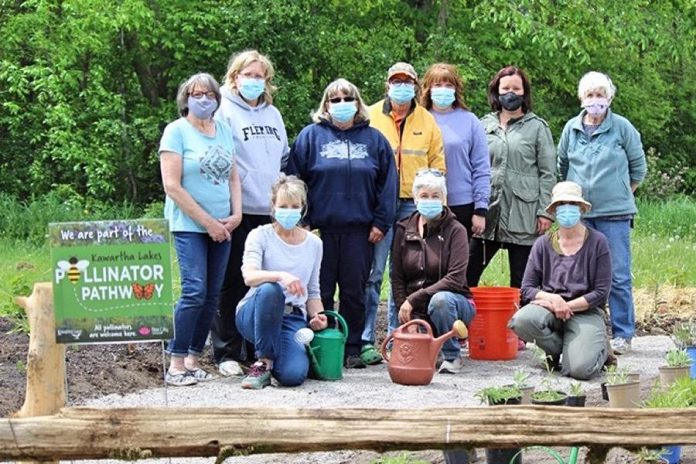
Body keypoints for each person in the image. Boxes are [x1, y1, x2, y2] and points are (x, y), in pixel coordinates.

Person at [287, 78, 397, 369]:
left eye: (347, 98)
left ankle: (351, 348)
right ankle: (318, 344)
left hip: (361, 230)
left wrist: (381, 222)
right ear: (325, 105)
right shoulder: (310, 137)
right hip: (319, 231)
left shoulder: (375, 140)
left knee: (354, 291)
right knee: (318, 291)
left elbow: (388, 185)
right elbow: (294, 181)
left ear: (358, 103)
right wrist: (303, 221)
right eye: (334, 100)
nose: (342, 104)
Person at [159, 72, 242, 386]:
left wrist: (235, 215)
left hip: (224, 225)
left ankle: (194, 358)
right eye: (197, 94)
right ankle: (176, 361)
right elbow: (172, 185)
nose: (204, 99)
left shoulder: (222, 130)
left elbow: (233, 176)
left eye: (209, 94)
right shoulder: (176, 131)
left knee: (211, 296)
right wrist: (207, 222)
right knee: (193, 291)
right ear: (186, 98)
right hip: (190, 225)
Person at [212, 50, 290, 377]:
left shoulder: (273, 114)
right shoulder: (223, 111)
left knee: (261, 285)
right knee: (231, 280)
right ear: (235, 76)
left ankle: (252, 349)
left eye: (260, 76)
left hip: (269, 212)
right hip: (237, 211)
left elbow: (283, 157)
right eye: (249, 75)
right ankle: (225, 350)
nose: (254, 81)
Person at [557, 71, 647, 355]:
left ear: (609, 98)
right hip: (579, 214)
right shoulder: (571, 129)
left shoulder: (622, 128)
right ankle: (580, 330)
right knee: (578, 273)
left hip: (615, 214)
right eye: (590, 95)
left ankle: (623, 333)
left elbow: (639, 168)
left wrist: (621, 192)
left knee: (618, 274)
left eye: (600, 95)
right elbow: (562, 166)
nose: (595, 100)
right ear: (581, 98)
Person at [363, 62, 446, 361]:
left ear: (415, 87)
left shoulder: (427, 120)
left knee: (406, 271)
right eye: (395, 82)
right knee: (373, 273)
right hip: (379, 204)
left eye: (407, 82)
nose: (401, 87)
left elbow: (438, 163)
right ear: (386, 85)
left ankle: (402, 336)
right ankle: (365, 340)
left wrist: (434, 202)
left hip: (414, 203)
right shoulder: (369, 115)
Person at [508, 182, 612, 380]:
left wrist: (565, 306)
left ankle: (601, 351)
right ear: (554, 210)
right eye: (561, 204)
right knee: (521, 320)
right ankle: (557, 350)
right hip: (550, 308)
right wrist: (553, 301)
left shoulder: (598, 242)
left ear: (581, 208)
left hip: (586, 311)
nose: (566, 208)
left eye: (572, 203)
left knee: (580, 371)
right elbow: (527, 288)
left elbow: (600, 293)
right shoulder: (542, 244)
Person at [467, 66, 556, 291]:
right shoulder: (483, 124)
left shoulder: (537, 127)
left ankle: (521, 325)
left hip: (523, 215)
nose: (510, 93)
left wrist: (545, 211)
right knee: (467, 274)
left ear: (524, 92)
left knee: (523, 283)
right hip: (487, 214)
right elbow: (472, 166)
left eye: (516, 88)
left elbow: (548, 173)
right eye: (505, 88)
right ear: (496, 91)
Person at [236, 175, 327, 389]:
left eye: (294, 206)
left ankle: (278, 358)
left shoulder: (314, 243)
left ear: (302, 208)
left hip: (291, 317)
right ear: (273, 207)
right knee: (271, 289)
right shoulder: (259, 235)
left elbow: (313, 291)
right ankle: (264, 363)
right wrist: (280, 276)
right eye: (283, 205)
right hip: (256, 311)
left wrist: (318, 316)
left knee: (293, 376)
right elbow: (249, 276)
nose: (289, 210)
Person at [391, 169, 475, 374]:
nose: (430, 200)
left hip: (453, 302)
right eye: (424, 196)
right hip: (415, 308)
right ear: (415, 198)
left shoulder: (457, 231)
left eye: (435, 196)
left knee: (441, 301)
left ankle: (452, 356)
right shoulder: (403, 229)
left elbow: (455, 279)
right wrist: (407, 314)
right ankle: (425, 339)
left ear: (444, 199)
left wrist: (414, 299)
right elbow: (397, 277)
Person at [421, 63, 490, 241]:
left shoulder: (470, 121)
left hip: (462, 204)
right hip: (426, 203)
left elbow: (481, 168)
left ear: (456, 89)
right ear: (428, 89)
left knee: (457, 263)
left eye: (448, 85)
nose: (443, 89)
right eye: (437, 85)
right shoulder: (419, 119)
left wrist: (480, 209)